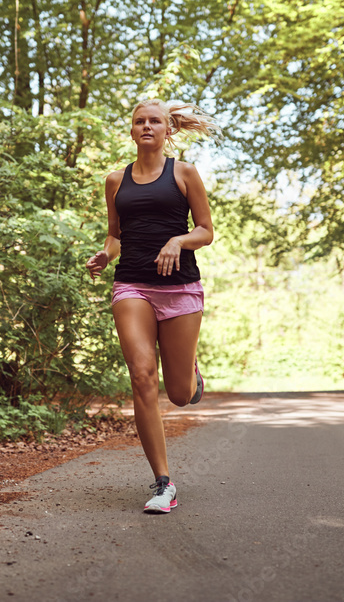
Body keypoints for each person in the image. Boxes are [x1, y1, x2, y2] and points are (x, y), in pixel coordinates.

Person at [85, 98, 218, 514]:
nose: (147, 126)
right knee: (142, 376)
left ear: (167, 130)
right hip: (132, 286)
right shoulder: (114, 181)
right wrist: (105, 255)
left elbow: (206, 231)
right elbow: (115, 235)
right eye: (139, 121)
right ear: (131, 130)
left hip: (180, 288)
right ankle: (164, 482)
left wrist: (178, 240)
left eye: (154, 121)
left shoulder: (184, 173)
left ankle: (189, 374)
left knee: (178, 394)